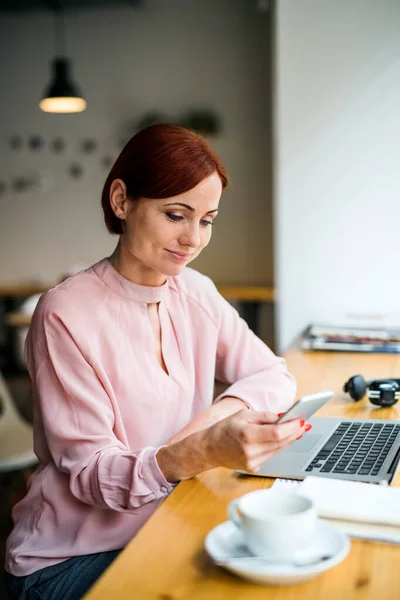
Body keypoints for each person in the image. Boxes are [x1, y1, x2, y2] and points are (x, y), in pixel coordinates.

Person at [5, 124, 309, 600]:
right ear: (121, 200)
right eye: (176, 214)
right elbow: (90, 474)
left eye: (207, 219)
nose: (193, 238)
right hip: (69, 559)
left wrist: (212, 420)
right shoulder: (64, 313)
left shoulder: (196, 291)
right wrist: (200, 450)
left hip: (166, 522)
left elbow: (273, 374)